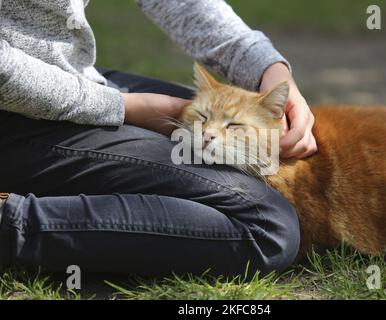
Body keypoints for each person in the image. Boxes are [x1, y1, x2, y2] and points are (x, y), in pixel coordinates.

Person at [0, 0, 316, 277]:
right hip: (15, 112)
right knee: (267, 227)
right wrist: (121, 107)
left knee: (215, 126)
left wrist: (268, 68)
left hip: (69, 78)